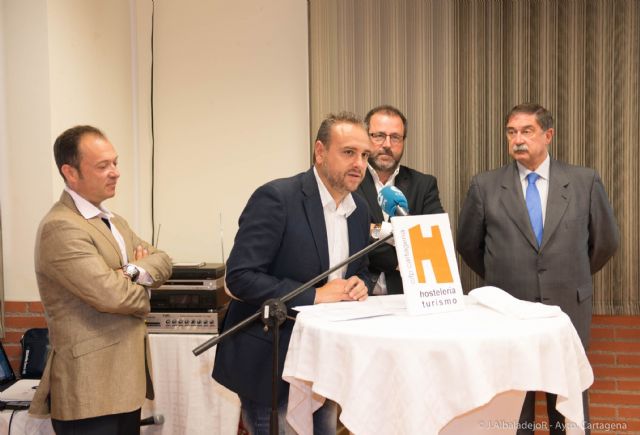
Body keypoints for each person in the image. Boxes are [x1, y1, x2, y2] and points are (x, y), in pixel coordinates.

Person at [456, 103, 619, 435]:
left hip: (568, 305)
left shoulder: (584, 181)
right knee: (514, 407)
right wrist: (503, 276)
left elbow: (605, 242)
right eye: (511, 132)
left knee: (567, 410)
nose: (518, 139)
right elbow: (468, 245)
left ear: (548, 135)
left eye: (527, 131)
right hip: (508, 310)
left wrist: (570, 272)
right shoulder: (485, 185)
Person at [213, 112, 373, 434]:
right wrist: (314, 295)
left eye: (365, 155)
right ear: (320, 151)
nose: (359, 164)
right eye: (348, 152)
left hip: (323, 365)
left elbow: (361, 268)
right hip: (271, 361)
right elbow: (239, 277)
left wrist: (361, 283)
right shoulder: (278, 198)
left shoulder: (360, 210)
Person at [31, 126, 173, 435]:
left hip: (125, 385)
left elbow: (163, 260)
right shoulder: (61, 227)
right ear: (70, 172)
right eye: (103, 165)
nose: (115, 172)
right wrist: (144, 284)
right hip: (89, 391)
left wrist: (131, 271)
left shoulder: (114, 221)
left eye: (115, 162)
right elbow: (112, 297)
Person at [356, 105, 444, 294]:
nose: (387, 144)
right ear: (366, 138)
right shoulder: (351, 181)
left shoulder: (423, 185)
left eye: (395, 137)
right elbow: (352, 236)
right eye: (379, 136)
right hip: (358, 295)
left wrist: (374, 230)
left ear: (403, 141)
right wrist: (400, 245)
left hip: (406, 297)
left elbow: (435, 241)